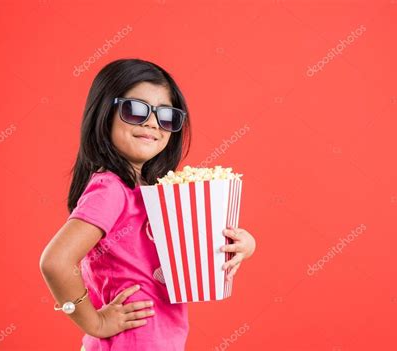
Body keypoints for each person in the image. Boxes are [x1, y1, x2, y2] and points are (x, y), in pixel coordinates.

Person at [39, 58, 256, 350]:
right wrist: (94, 322)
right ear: (105, 113)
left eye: (166, 116)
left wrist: (242, 244)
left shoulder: (154, 191)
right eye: (135, 110)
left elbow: (182, 257)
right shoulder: (111, 189)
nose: (152, 122)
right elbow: (56, 262)